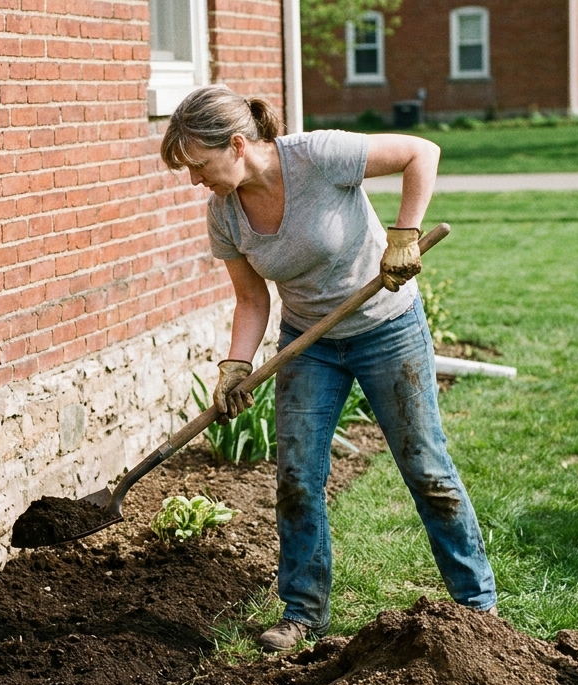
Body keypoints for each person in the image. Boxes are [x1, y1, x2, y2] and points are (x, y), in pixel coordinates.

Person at [160, 85, 497, 652]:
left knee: (426, 469)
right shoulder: (224, 214)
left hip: (386, 327)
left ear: (238, 145)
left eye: (199, 165)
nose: (196, 180)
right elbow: (251, 299)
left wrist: (404, 235)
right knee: (297, 476)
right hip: (309, 343)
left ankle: (477, 607)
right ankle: (303, 611)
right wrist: (235, 365)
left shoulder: (317, 155)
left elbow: (422, 152)